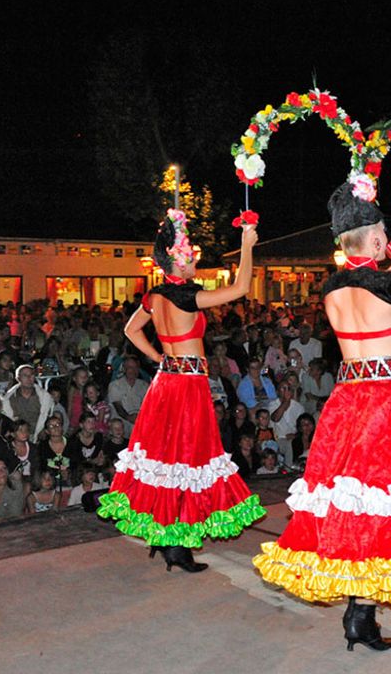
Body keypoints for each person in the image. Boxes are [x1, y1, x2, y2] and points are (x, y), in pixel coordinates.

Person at [254, 176, 391, 651]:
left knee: (352, 502)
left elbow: (376, 280)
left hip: (347, 400)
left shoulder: (331, 286)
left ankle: (359, 611)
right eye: (383, 235)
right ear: (374, 238)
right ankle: (360, 614)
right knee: (382, 506)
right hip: (388, 401)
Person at [98, 208, 265, 573]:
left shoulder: (154, 297)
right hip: (187, 386)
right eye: (190, 255)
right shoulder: (187, 296)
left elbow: (130, 331)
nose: (195, 260)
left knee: (168, 461)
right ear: (176, 261)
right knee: (186, 458)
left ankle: (171, 541)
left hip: (165, 381)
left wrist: (157, 356)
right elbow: (240, 289)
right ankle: (176, 542)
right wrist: (247, 247)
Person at [1, 365, 52, 441]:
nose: (29, 378)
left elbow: (49, 415)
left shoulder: (44, 397)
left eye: (31, 375)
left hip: (39, 435)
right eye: (25, 375)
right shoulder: (9, 399)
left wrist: (44, 429)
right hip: (17, 437)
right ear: (18, 378)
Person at [106, 355, 149, 437]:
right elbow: (118, 407)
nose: (132, 370)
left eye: (135, 367)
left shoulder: (144, 385)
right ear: (124, 369)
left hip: (140, 426)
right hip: (121, 428)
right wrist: (129, 417)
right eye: (129, 367)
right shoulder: (115, 385)